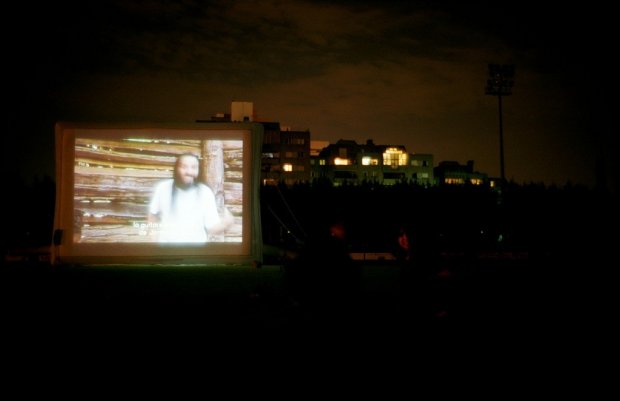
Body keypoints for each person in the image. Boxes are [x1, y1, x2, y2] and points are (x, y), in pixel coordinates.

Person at [148, 153, 233, 243]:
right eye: (184, 167)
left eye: (194, 167)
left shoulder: (205, 192)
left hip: (196, 250)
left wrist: (226, 223)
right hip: (166, 248)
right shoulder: (163, 188)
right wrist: (153, 239)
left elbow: (211, 227)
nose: (189, 172)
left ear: (198, 170)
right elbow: (152, 215)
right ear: (176, 169)